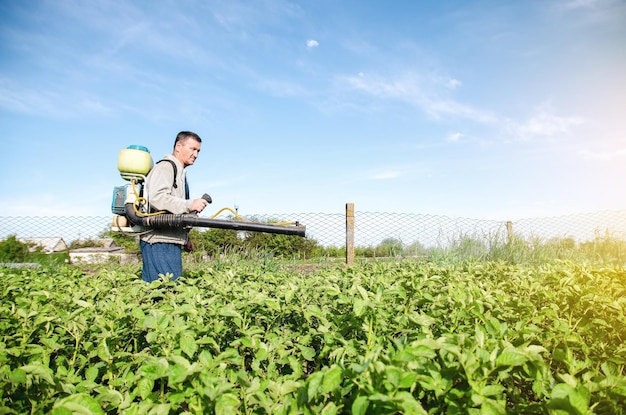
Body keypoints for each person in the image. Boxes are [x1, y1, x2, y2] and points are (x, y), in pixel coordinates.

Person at [139, 131, 209, 282]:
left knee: (166, 292)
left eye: (198, 151)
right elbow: (158, 198)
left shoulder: (180, 173)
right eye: (192, 149)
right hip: (158, 241)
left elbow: (175, 211)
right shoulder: (166, 167)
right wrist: (190, 204)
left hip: (169, 240)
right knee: (165, 292)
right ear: (178, 146)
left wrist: (185, 238)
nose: (195, 154)